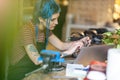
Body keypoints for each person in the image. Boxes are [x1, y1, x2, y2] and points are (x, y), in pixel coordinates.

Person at [8, 0, 91, 80]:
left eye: (57, 18)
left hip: (35, 71)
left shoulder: (44, 30)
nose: (57, 22)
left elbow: (61, 45)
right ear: (41, 19)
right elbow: (37, 60)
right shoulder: (26, 31)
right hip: (21, 75)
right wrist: (67, 53)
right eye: (52, 19)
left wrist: (79, 42)